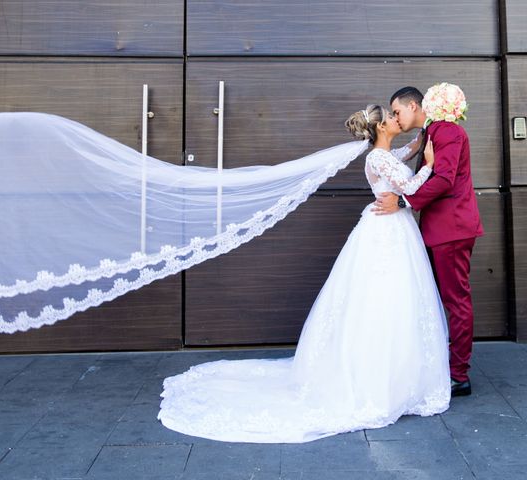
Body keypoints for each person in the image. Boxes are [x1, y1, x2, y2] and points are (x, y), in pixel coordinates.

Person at [158, 104, 451, 443]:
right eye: (391, 117)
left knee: (387, 299)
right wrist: (429, 163)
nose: (396, 119)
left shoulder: (383, 153)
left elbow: (400, 155)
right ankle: (381, 379)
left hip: (388, 228)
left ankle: (398, 374)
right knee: (384, 299)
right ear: (382, 127)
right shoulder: (379, 159)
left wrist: (419, 143)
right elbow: (411, 186)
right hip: (388, 230)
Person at [375, 87, 484, 397]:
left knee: (456, 300)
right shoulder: (429, 132)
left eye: (397, 111)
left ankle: (458, 375)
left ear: (414, 105)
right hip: (439, 229)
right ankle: (441, 364)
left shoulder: (446, 131)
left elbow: (445, 177)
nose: (395, 117)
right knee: (438, 299)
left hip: (452, 229)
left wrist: (404, 202)